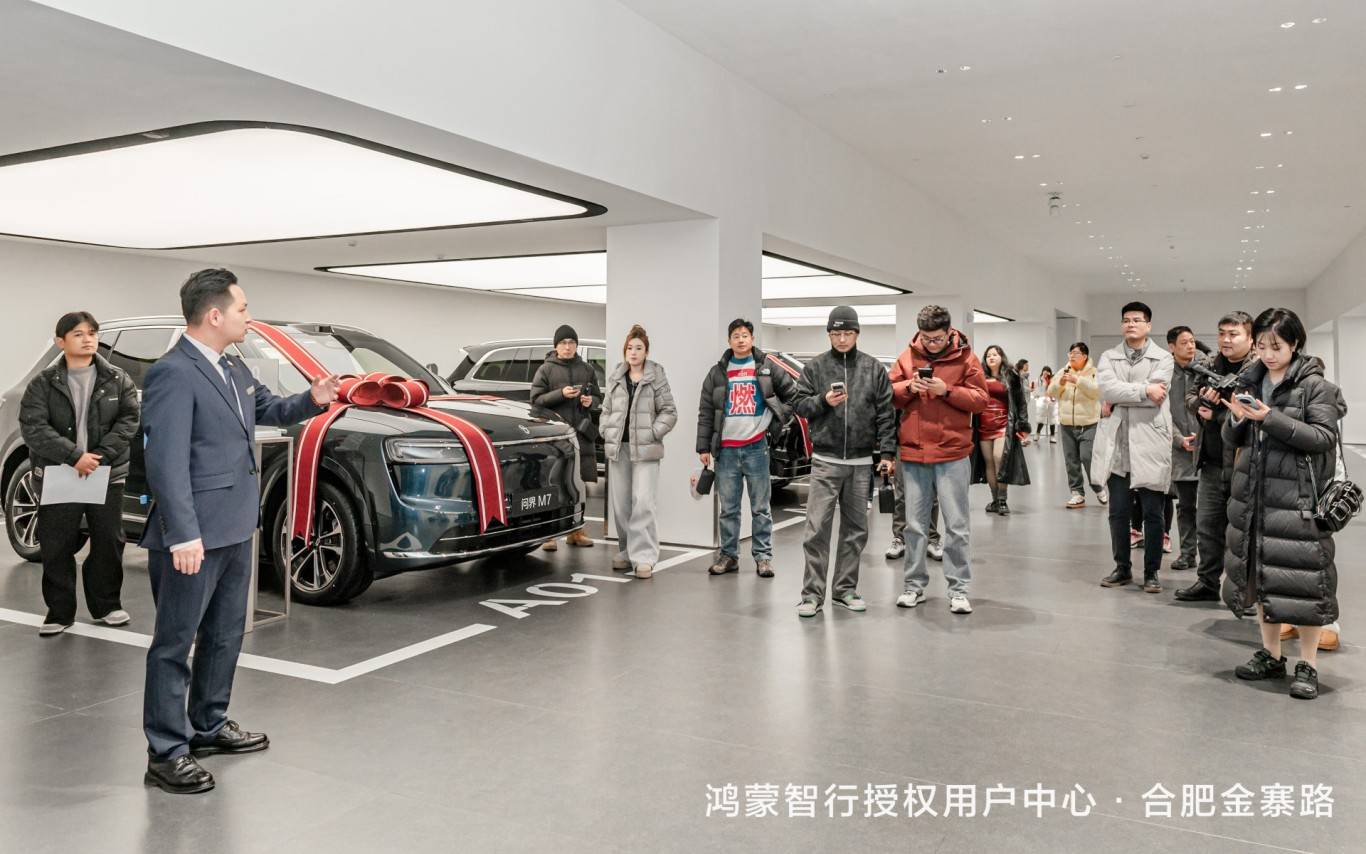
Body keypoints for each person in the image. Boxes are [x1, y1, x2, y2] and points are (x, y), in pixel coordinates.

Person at [141, 269, 340, 794]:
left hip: (234, 525)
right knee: (174, 643)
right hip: (194, 536)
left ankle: (207, 725)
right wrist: (183, 533)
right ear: (215, 315)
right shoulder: (172, 373)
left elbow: (266, 409)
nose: (249, 317)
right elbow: (165, 462)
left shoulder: (231, 365)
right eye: (243, 309)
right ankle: (166, 752)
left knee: (225, 633)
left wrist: (313, 398)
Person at [1223, 308, 1346, 700]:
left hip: (1297, 500)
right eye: (1261, 346)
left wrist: (1269, 418)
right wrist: (1237, 420)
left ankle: (1307, 664)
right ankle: (1271, 654)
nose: (1268, 354)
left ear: (1295, 343)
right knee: (1262, 579)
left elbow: (1323, 437)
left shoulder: (1316, 387)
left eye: (1276, 346)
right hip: (1255, 497)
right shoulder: (1250, 380)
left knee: (1304, 585)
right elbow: (1234, 440)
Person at [19, 311, 140, 636]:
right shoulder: (43, 383)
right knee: (57, 544)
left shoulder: (118, 379)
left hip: (106, 473)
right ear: (60, 341)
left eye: (92, 333)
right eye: (78, 334)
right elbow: (34, 427)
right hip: (60, 472)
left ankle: (107, 605)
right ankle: (59, 612)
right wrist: (74, 457)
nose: (88, 339)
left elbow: (129, 420)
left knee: (109, 540)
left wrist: (98, 457)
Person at [791, 307, 896, 616]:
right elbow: (799, 404)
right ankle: (811, 595)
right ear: (829, 334)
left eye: (847, 333)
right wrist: (823, 401)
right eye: (835, 333)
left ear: (857, 333)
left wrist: (887, 454)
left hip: (861, 464)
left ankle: (844, 590)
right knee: (816, 530)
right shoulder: (815, 367)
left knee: (856, 530)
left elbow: (886, 415)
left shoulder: (873, 369)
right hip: (825, 460)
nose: (841, 339)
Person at [889, 305, 988, 614]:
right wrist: (909, 387)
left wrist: (948, 390)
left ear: (949, 333)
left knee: (956, 525)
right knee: (914, 526)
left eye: (937, 339)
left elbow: (981, 400)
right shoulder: (907, 358)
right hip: (914, 452)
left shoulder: (966, 359)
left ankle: (958, 590)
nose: (931, 344)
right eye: (926, 338)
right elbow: (888, 393)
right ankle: (913, 586)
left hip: (952, 453)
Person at [697, 318, 799, 577]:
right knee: (728, 509)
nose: (741, 340)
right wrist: (703, 447)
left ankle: (763, 558)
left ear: (752, 339)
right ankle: (728, 556)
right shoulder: (717, 372)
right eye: (736, 336)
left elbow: (793, 395)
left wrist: (777, 419)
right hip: (726, 451)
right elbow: (706, 411)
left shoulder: (766, 367)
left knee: (761, 508)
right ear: (729, 341)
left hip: (756, 447)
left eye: (745, 335)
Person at [1175, 312, 1256, 604]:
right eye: (1222, 333)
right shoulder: (1209, 364)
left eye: (1233, 334)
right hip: (1210, 461)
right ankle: (1207, 582)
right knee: (1207, 528)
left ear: (1250, 338)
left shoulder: (1258, 369)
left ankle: (1245, 592)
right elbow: (1189, 398)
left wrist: (1218, 414)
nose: (1226, 339)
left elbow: (1254, 413)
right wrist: (1201, 403)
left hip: (1244, 464)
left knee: (1244, 532)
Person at [1092, 301, 1174, 594]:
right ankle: (1122, 568)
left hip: (1150, 441)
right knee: (1118, 512)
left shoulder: (1163, 358)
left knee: (1153, 513)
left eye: (1137, 320)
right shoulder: (1109, 356)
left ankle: (1151, 572)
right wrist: (1143, 390)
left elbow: (1157, 396)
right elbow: (1107, 389)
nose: (1131, 324)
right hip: (1120, 445)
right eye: (1126, 320)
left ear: (1148, 325)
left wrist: (1121, 397)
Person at [600, 324, 677, 579]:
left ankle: (643, 556)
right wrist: (606, 430)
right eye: (630, 348)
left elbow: (669, 412)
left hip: (645, 450)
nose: (633, 353)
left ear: (646, 352)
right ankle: (626, 551)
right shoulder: (616, 377)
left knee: (643, 502)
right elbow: (606, 410)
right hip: (619, 449)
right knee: (621, 505)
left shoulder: (656, 376)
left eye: (639, 348)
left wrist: (652, 433)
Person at [531, 324, 600, 550]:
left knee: (579, 483)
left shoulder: (587, 369)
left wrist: (591, 402)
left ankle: (576, 532)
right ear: (556, 346)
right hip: (555, 435)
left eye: (571, 342)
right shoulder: (545, 369)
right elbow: (536, 400)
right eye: (563, 343)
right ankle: (549, 535)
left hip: (581, 434)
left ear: (576, 345)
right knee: (553, 482)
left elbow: (598, 397)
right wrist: (560, 394)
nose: (568, 347)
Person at [972, 345, 1030, 515]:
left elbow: (1021, 402)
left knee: (999, 459)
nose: (991, 357)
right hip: (983, 425)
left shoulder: (1011, 376)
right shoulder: (979, 377)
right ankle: (995, 500)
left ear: (1001, 357)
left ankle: (1003, 500)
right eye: (988, 355)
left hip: (1004, 424)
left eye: (995, 354)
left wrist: (1023, 425)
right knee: (989, 462)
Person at [1050, 342, 1107, 509]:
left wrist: (1078, 380)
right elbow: (1052, 392)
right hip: (1067, 424)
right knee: (1071, 460)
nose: (1072, 356)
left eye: (1076, 353)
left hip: (1089, 423)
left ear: (1085, 356)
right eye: (1070, 352)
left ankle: (1098, 486)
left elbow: (1097, 391)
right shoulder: (1063, 371)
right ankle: (1077, 494)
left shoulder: (1094, 372)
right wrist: (1060, 383)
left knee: (1087, 457)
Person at [1165, 326, 1203, 572]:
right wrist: (1179, 439)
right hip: (1180, 449)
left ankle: (1212, 556)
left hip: (1207, 447)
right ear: (1172, 347)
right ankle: (1188, 554)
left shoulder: (1205, 370)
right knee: (1186, 505)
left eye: (1192, 341)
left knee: (1211, 508)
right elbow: (1161, 414)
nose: (1190, 346)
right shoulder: (1164, 374)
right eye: (1184, 342)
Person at [1033, 366, 1058, 443]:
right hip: (1042, 401)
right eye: (1044, 371)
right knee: (1041, 418)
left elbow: (1055, 388)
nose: (1046, 372)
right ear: (1042, 371)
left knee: (1052, 419)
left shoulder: (1053, 379)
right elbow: (1036, 389)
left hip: (1051, 400)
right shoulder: (1039, 379)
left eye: (1047, 371)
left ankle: (1052, 436)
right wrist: (1036, 396)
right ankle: (1037, 434)